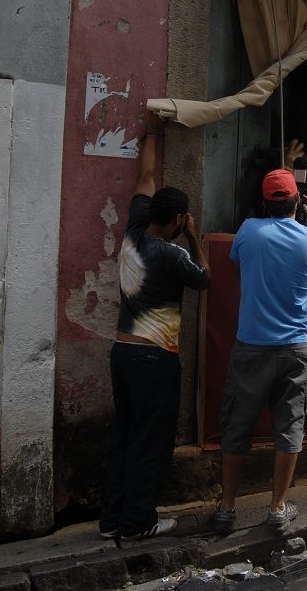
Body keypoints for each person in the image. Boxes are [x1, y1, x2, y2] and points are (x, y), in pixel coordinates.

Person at [99, 115, 211, 540]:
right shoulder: (172, 255)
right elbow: (206, 277)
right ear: (180, 218)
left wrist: (150, 132)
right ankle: (137, 523)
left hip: (123, 351)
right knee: (150, 442)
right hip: (154, 358)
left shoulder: (133, 229)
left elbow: (146, 174)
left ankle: (111, 521)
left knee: (124, 437)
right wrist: (196, 238)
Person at [215, 169, 307, 536]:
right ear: (298, 202)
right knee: (290, 426)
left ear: (264, 203)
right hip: (295, 347)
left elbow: (236, 264)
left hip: (251, 344)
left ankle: (227, 507)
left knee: (237, 427)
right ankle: (278, 508)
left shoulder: (249, 230)